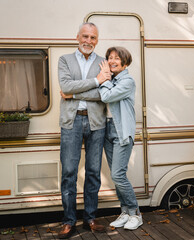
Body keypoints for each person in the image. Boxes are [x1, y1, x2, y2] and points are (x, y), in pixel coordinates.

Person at [57, 22, 111, 239]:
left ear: (97, 40)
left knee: (93, 173)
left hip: (96, 123)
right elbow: (65, 87)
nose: (89, 41)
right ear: (77, 37)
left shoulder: (104, 63)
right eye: (85, 36)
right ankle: (69, 221)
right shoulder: (64, 60)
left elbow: (104, 95)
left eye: (93, 38)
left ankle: (90, 218)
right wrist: (96, 81)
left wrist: (75, 94)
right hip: (71, 123)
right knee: (68, 173)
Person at [98, 46, 142, 230]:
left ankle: (135, 214)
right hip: (108, 130)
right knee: (117, 176)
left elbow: (106, 97)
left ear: (124, 63)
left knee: (117, 174)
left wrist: (104, 78)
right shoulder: (113, 79)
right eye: (110, 58)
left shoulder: (127, 81)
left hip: (122, 131)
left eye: (116, 58)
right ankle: (125, 212)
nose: (112, 61)